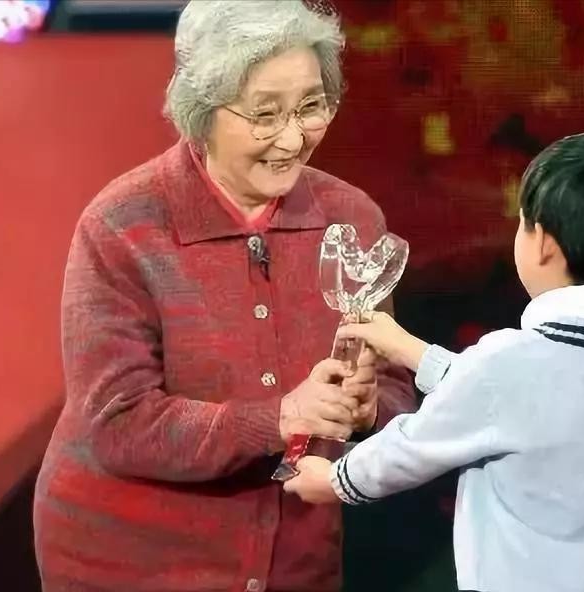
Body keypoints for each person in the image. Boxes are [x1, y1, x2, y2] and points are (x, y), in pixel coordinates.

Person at [32, 2, 415, 591]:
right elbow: (118, 422)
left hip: (295, 560)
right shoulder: (123, 225)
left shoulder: (351, 218)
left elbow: (392, 388)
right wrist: (279, 418)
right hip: (131, 563)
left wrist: (367, 409)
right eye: (265, 114)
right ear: (201, 110)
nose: (293, 138)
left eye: (311, 107)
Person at [285, 132, 584, 592]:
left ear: (543, 243)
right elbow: (521, 405)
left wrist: (334, 479)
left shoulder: (511, 361)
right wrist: (411, 350)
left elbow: (417, 444)